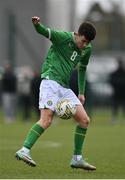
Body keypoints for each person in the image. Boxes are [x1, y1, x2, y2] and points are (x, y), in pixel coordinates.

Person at [15, 16, 96, 170]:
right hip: (50, 81)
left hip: (64, 87)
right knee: (46, 120)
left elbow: (82, 69)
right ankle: (24, 150)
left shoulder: (87, 49)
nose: (84, 45)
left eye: (88, 43)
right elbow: (44, 31)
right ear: (77, 34)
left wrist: (81, 92)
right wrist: (36, 24)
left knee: (84, 120)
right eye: (83, 41)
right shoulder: (63, 37)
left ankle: (77, 159)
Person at [109, 57, 125, 123]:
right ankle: (114, 119)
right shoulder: (115, 73)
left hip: (121, 93)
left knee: (119, 106)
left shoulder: (117, 73)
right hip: (117, 93)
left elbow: (112, 81)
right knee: (115, 106)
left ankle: (115, 119)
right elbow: (111, 81)